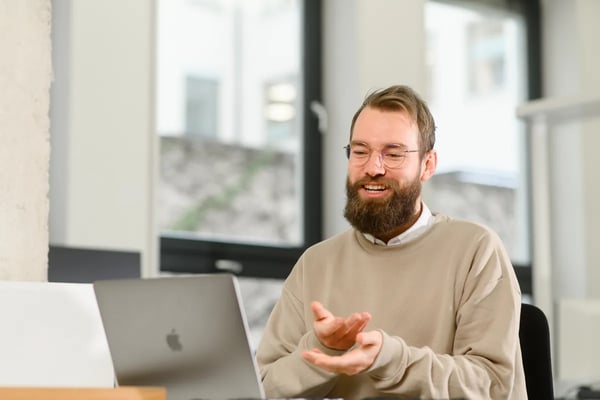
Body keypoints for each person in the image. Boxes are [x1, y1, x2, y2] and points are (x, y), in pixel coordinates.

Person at [255, 84, 526, 399]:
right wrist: (324, 350)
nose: (373, 168)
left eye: (393, 153)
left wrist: (390, 359)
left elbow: (492, 385)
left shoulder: (475, 250)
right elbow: (263, 386)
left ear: (428, 165)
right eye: (360, 151)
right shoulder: (316, 263)